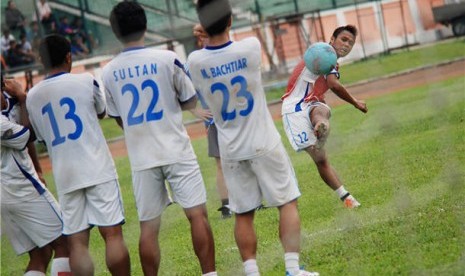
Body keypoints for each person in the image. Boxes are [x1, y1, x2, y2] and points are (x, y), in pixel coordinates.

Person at [187, 0, 319, 275]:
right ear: (230, 20)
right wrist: (210, 24)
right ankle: (293, 269)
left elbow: (207, 37)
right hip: (263, 141)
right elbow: (221, 33)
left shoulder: (195, 61)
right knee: (286, 202)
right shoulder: (250, 47)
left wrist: (205, 27)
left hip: (231, 149)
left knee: (243, 214)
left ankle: (251, 271)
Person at [103, 2, 216, 275]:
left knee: (148, 228)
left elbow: (118, 118)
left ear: (116, 31)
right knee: (197, 215)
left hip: (142, 157)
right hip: (176, 149)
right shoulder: (167, 58)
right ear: (145, 25)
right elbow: (189, 99)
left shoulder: (107, 71)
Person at [26, 34, 131, 275]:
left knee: (77, 242)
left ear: (42, 61)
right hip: (97, 168)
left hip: (65, 175)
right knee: (112, 234)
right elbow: (101, 111)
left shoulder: (33, 96)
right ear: (69, 56)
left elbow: (41, 136)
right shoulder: (86, 80)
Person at [281, 25, 368, 208]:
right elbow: (333, 84)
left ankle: (321, 125)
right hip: (295, 109)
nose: (346, 45)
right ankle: (321, 125)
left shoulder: (323, 54)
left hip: (312, 102)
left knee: (323, 110)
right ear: (332, 39)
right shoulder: (326, 54)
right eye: (344, 40)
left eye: (350, 43)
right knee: (321, 159)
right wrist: (355, 102)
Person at [1, 77, 72, 276]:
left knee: (41, 254)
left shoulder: (10, 101)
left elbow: (24, 136)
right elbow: (26, 136)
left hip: (10, 192)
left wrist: (38, 169)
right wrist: (23, 98)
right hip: (19, 189)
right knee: (65, 240)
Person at [190, 23, 231, 219]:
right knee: (221, 165)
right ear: (200, 39)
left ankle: (252, 200)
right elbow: (180, 89)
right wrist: (195, 110)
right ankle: (227, 206)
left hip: (236, 117)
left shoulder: (226, 52)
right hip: (215, 122)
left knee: (245, 160)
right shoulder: (195, 62)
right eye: (204, 36)